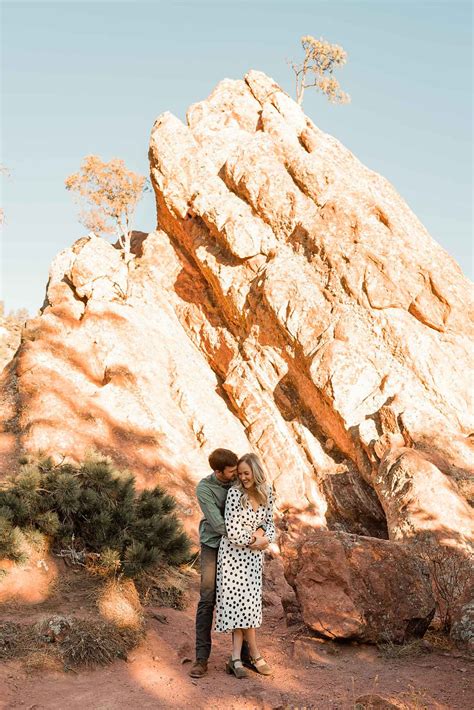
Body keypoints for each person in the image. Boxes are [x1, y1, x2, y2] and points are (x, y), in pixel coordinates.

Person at [214, 452, 276, 679]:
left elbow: (270, 525)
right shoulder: (234, 494)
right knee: (237, 606)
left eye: (246, 473)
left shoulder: (268, 493)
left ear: (256, 472)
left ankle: (236, 658)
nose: (243, 477)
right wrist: (256, 540)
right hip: (232, 556)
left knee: (248, 605)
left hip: (253, 559)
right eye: (240, 474)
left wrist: (265, 538)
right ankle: (251, 656)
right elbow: (232, 531)